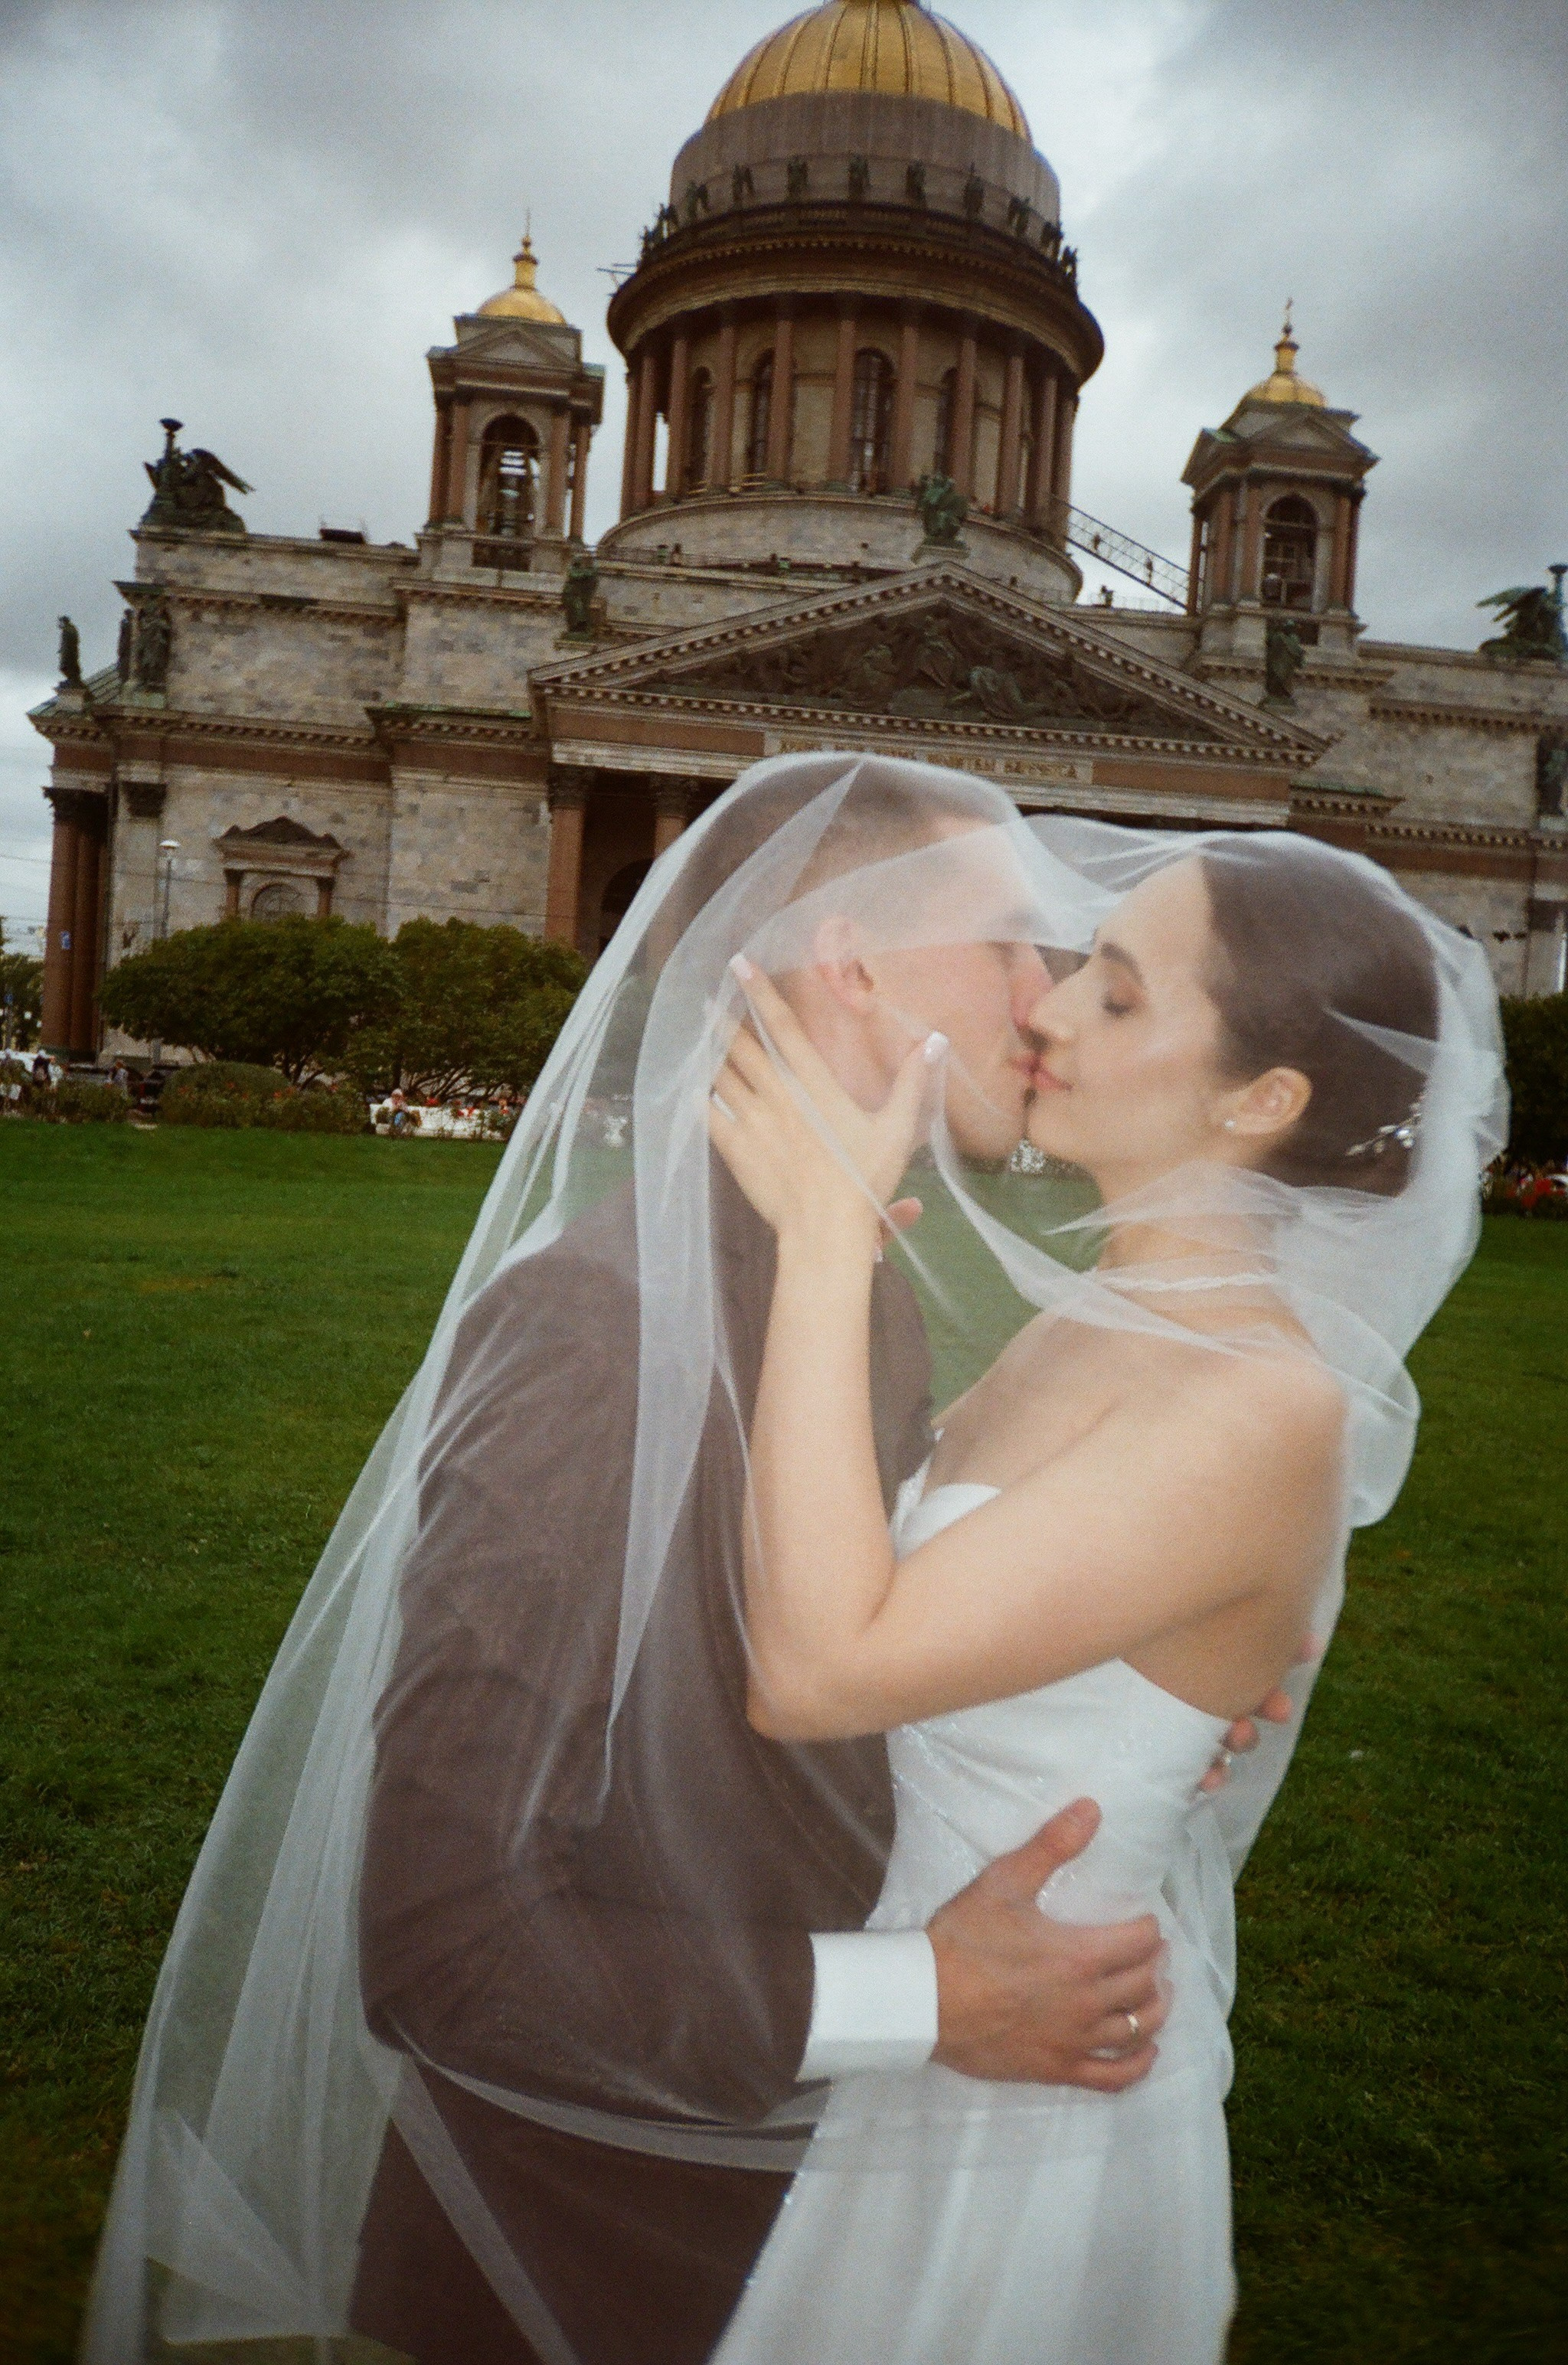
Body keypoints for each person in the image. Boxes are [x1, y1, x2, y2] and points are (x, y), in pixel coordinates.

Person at [78, 761, 1315, 2365]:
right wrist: (922, 1999)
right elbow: (447, 1946)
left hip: (801, 2229)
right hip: (591, 2256)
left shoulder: (843, 1287)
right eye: (1014, 948)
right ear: (854, 966)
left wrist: (1107, 1688)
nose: (1048, 996)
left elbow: (812, 1651)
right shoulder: (601, 1330)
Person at [701, 822, 1504, 2363]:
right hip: (951, 2010)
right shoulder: (1092, 1325)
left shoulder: (1257, 1403)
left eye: (1120, 999)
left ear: (1258, 1100)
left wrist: (822, 1243)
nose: (1048, 1013)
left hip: (1031, 2096)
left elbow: (815, 1671)